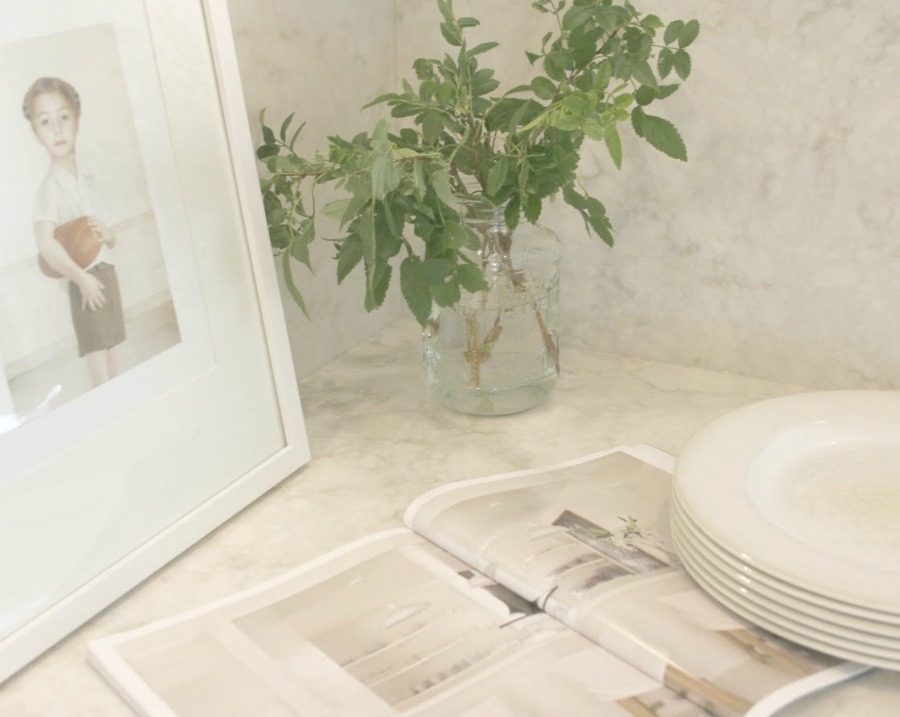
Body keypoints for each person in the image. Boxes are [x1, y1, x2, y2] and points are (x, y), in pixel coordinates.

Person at [22, 77, 125, 387]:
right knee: (99, 365)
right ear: (36, 133)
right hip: (84, 284)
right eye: (45, 121)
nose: (57, 128)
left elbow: (109, 237)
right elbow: (45, 244)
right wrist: (81, 279)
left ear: (77, 120)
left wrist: (108, 234)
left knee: (117, 351)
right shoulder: (49, 190)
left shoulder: (90, 176)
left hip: (108, 275)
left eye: (63, 117)